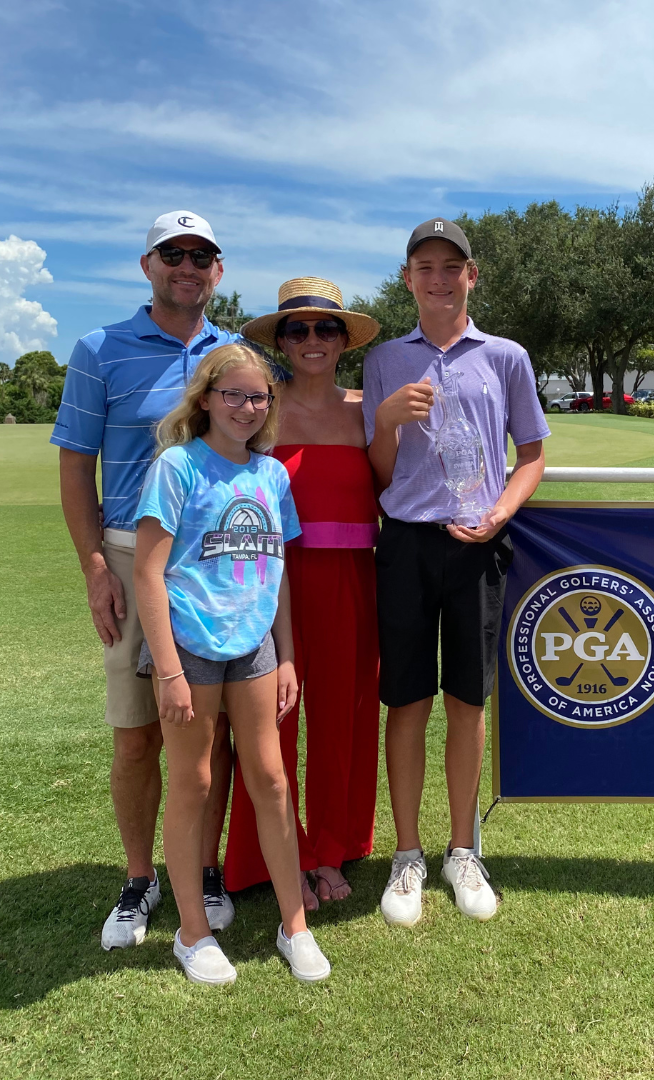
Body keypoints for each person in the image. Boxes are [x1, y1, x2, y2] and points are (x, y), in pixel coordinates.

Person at [51, 211, 238, 950]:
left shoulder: (235, 352)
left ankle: (206, 864)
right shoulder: (100, 349)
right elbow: (75, 464)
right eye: (173, 254)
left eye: (202, 255)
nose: (187, 265)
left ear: (217, 272)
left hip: (216, 558)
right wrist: (95, 564)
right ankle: (140, 877)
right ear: (148, 264)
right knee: (137, 737)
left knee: (211, 733)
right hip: (132, 554)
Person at [363, 218, 549, 926]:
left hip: (478, 546)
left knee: (469, 702)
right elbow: (379, 471)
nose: (438, 279)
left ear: (473, 275)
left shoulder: (505, 357)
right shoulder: (384, 360)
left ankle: (462, 848)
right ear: (407, 279)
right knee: (407, 700)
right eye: (424, 267)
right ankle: (407, 854)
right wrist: (384, 420)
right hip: (406, 544)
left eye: (452, 266)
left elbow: (530, 454)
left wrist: (500, 512)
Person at [133, 342, 330, 985]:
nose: (247, 407)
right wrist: (166, 669)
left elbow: (279, 573)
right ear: (206, 400)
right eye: (234, 395)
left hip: (256, 647)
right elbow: (149, 573)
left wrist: (291, 657)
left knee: (270, 780)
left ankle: (293, 923)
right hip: (189, 648)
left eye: (258, 397)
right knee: (192, 782)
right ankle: (192, 933)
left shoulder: (271, 476)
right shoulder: (177, 466)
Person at [224, 278, 381, 910]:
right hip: (269, 583)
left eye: (325, 328)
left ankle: (332, 849)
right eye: (297, 329)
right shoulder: (260, 408)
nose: (311, 340)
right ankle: (274, 853)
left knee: (344, 720)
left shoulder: (369, 408)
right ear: (281, 341)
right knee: (271, 724)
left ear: (344, 339)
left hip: (353, 579)